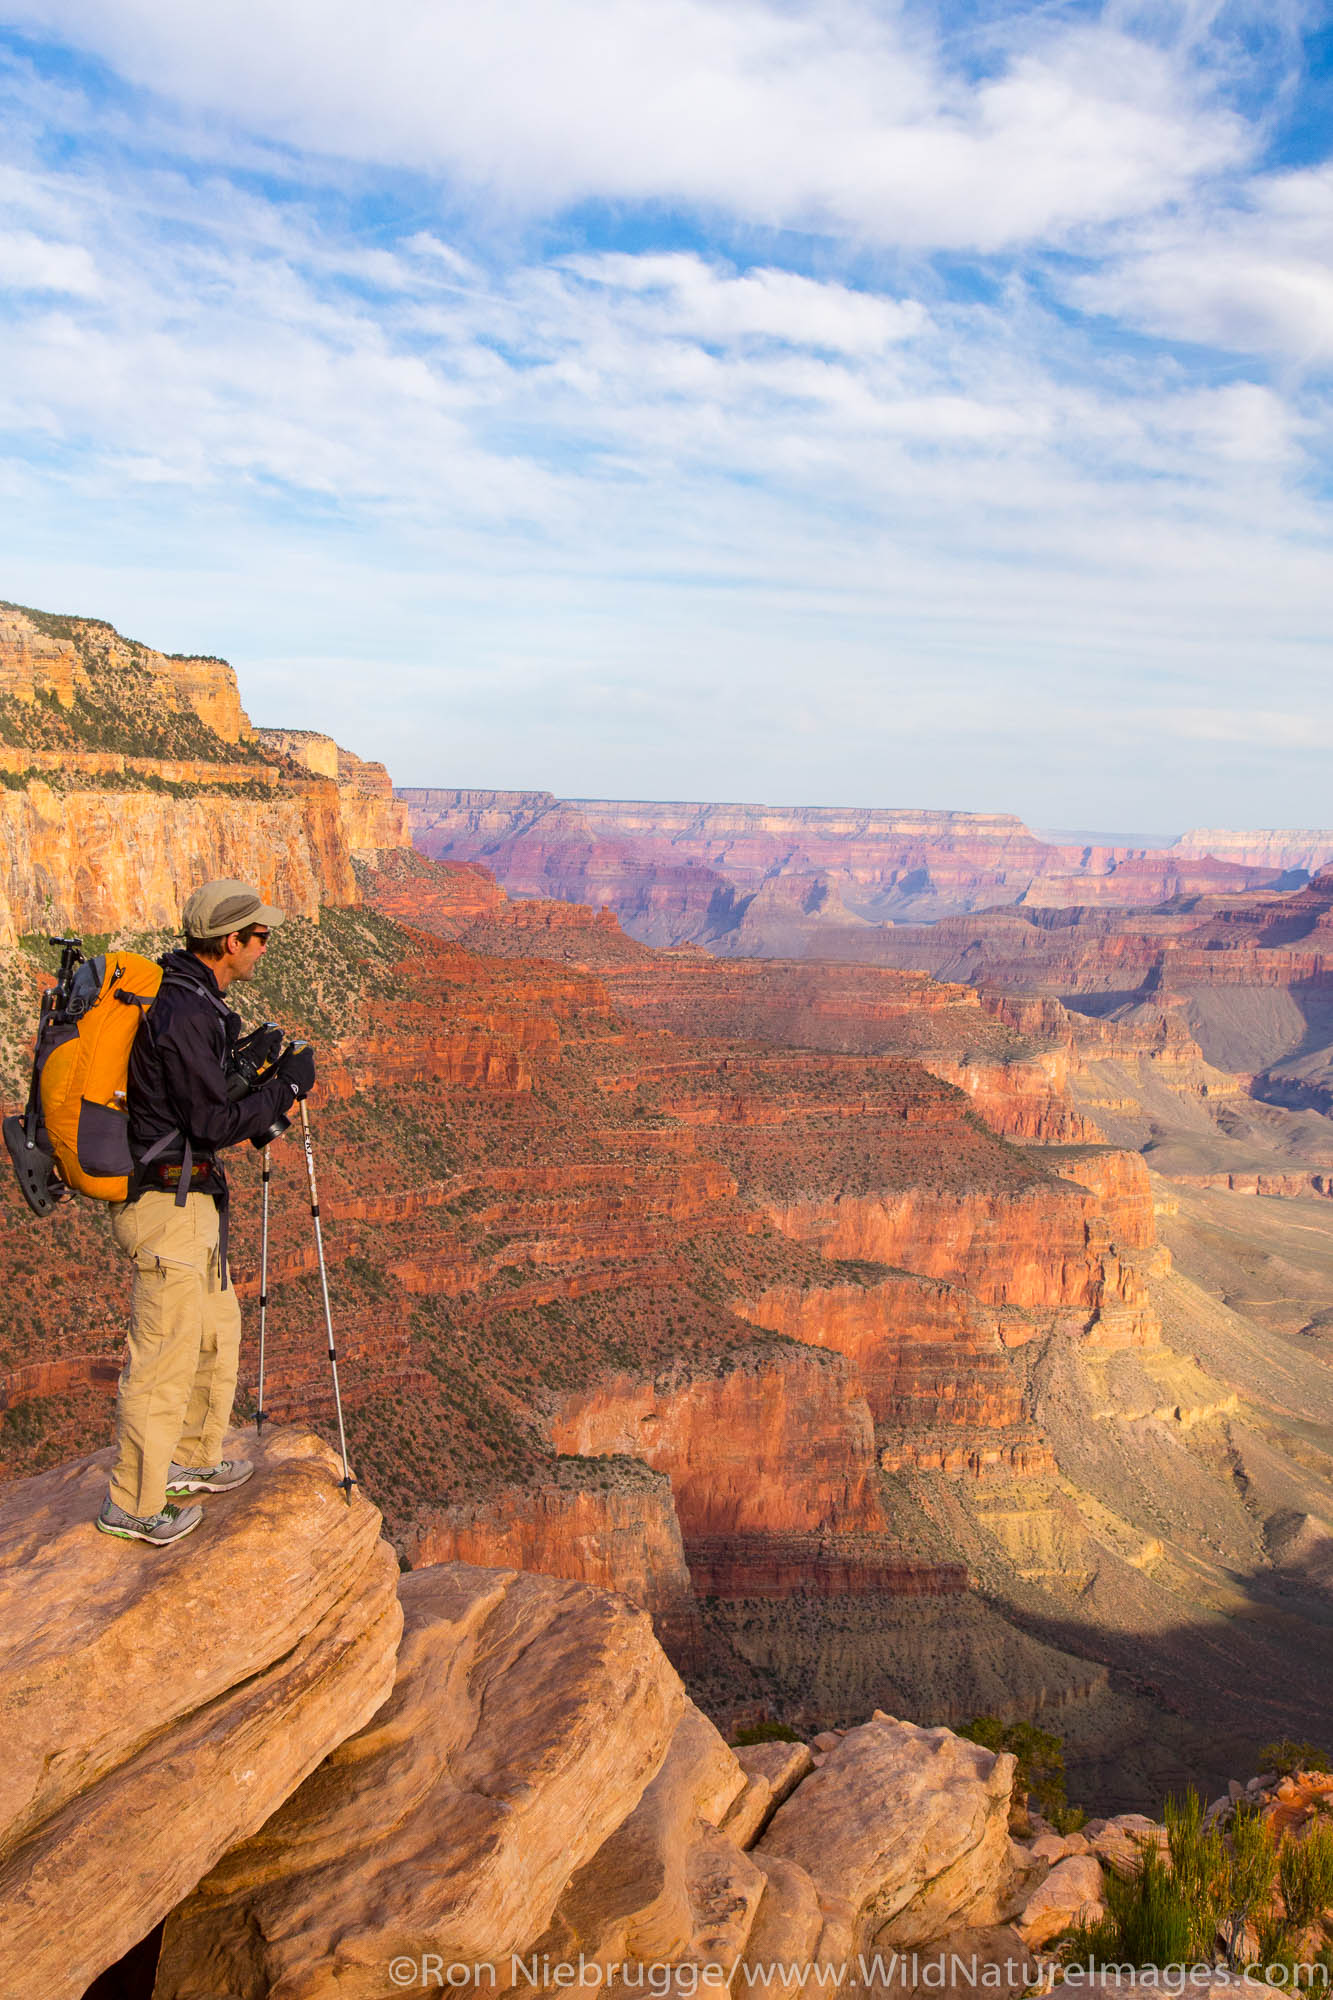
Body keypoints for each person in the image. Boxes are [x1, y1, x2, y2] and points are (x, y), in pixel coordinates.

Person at [96, 880, 317, 1547]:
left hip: (193, 1205)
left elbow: (198, 1093)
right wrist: (284, 1087)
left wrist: (252, 1066)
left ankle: (192, 1458)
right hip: (167, 1209)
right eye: (259, 937)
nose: (265, 947)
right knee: (162, 1360)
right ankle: (132, 1504)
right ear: (230, 941)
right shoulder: (184, 1010)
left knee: (216, 1334)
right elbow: (211, 1120)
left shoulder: (191, 998)